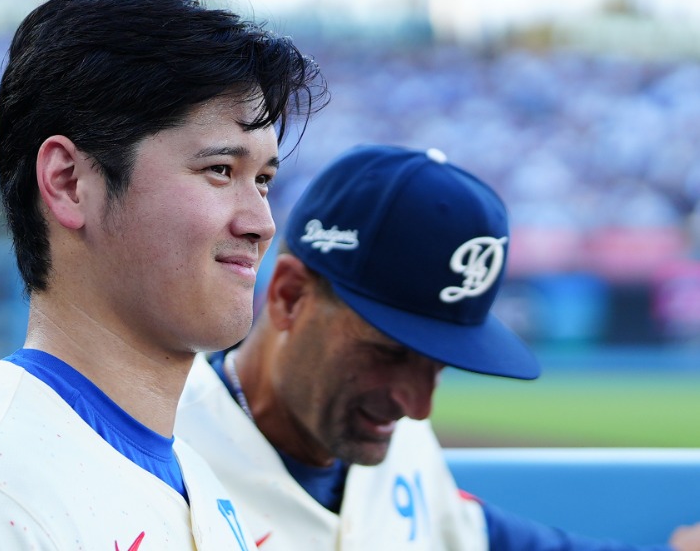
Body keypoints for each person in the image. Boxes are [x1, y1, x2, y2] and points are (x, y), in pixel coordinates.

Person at [0, 0, 327, 550]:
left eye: (264, 181)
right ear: (69, 183)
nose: (261, 222)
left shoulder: (186, 472)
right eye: (220, 170)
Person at [175, 143, 700, 550]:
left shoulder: (397, 441)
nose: (418, 405)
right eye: (390, 353)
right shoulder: (159, 453)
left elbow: (488, 537)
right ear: (289, 297)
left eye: (440, 365)